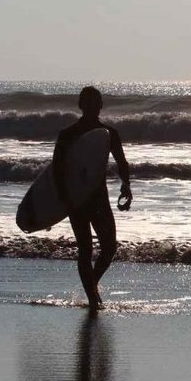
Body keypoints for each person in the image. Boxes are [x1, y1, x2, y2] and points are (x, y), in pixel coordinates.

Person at [53, 86, 132, 310]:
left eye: (95, 103)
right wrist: (60, 202)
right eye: (87, 103)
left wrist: (126, 186)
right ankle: (92, 298)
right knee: (85, 249)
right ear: (81, 106)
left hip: (99, 198)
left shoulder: (109, 134)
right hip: (75, 200)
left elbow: (121, 162)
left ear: (100, 106)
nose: (92, 107)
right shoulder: (67, 135)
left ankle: (92, 284)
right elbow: (57, 171)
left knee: (109, 246)